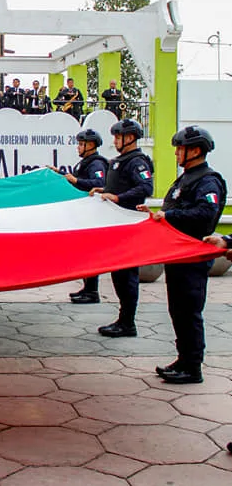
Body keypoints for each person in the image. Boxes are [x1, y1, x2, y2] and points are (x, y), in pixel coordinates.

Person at [139, 126, 226, 384]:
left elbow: (204, 215)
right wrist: (156, 216)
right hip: (177, 255)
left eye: (181, 148)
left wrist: (169, 216)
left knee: (189, 312)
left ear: (196, 150)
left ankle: (193, 367)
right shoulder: (186, 178)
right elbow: (175, 210)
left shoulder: (208, 180)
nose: (176, 153)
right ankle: (183, 359)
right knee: (177, 310)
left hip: (192, 258)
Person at [90, 119, 154, 337]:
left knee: (127, 276)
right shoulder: (120, 161)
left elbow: (145, 187)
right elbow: (119, 186)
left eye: (118, 137)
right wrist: (104, 189)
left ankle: (128, 322)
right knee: (118, 275)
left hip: (128, 226)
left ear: (130, 138)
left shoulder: (137, 162)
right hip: (115, 225)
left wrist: (117, 197)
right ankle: (123, 319)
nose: (115, 141)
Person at [66, 128, 109, 305]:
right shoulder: (85, 162)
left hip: (92, 216)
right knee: (84, 253)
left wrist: (76, 181)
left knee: (90, 254)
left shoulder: (96, 164)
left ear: (90, 145)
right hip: (83, 215)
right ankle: (87, 288)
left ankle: (92, 291)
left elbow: (99, 183)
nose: (78, 147)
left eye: (81, 144)